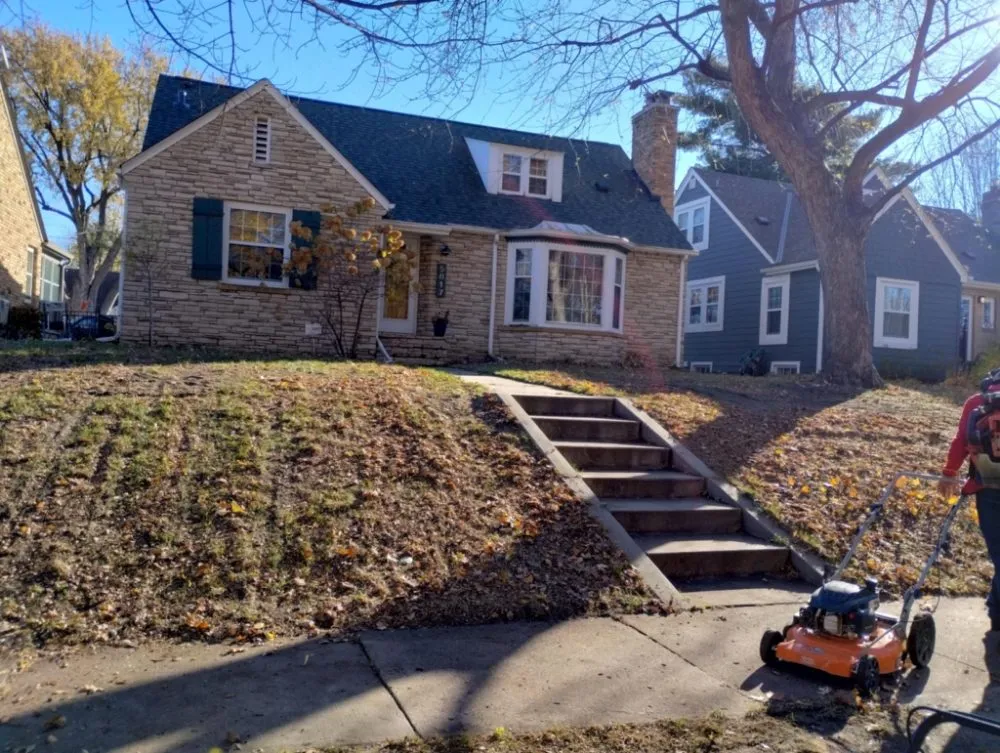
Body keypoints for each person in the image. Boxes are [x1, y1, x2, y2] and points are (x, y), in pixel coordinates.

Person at [939, 369, 1000, 632]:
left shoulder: (976, 402)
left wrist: (949, 472)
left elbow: (961, 441)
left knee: (998, 553)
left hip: (987, 487)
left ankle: (996, 612)